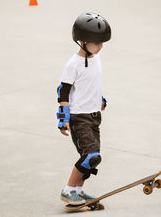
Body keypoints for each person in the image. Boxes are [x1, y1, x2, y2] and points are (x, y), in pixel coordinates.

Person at [56, 12, 111, 205]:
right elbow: (63, 92)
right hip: (79, 117)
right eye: (97, 43)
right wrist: (63, 118)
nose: (100, 46)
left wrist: (99, 100)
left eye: (102, 42)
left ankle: (78, 191)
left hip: (94, 115)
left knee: (93, 158)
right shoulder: (74, 64)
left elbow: (91, 83)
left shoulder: (96, 57)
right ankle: (67, 190)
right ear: (82, 41)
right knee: (90, 155)